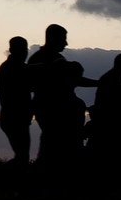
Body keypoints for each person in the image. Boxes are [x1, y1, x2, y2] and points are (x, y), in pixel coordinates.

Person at [27, 24, 97, 168]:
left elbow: (74, 79)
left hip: (56, 110)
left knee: (55, 149)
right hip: (51, 111)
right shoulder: (42, 59)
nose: (66, 43)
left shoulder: (53, 58)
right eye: (63, 39)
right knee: (52, 147)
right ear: (53, 38)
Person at [0, 36, 32, 166]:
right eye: (22, 49)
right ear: (12, 50)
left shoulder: (15, 67)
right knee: (22, 156)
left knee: (22, 156)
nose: (25, 53)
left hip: (15, 118)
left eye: (25, 49)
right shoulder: (12, 68)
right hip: (14, 118)